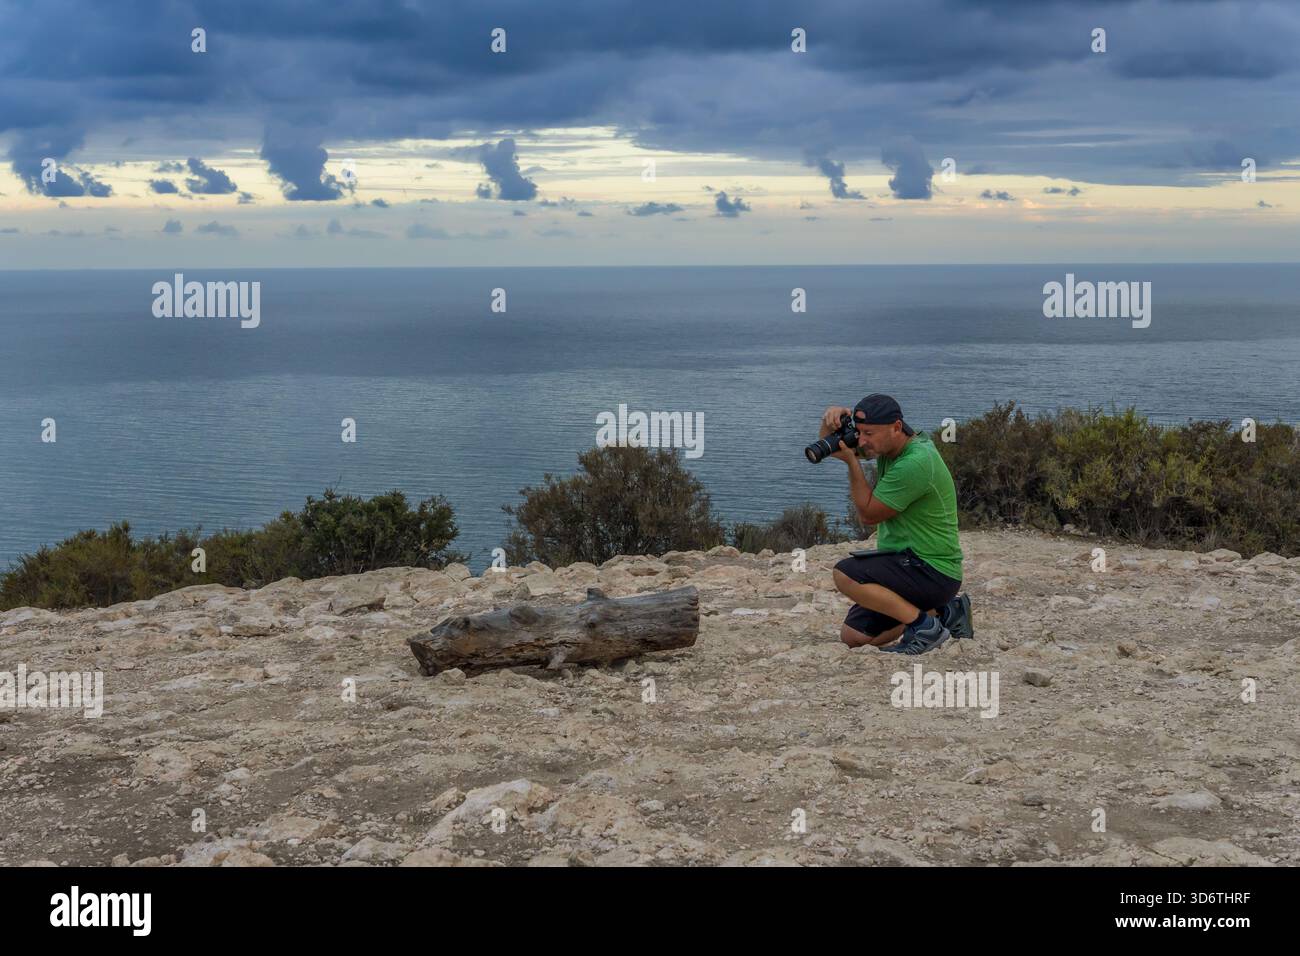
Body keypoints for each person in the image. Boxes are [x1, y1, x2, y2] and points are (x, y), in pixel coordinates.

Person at [820, 394, 973, 655]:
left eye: (869, 433)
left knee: (844, 573)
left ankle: (924, 627)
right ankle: (945, 612)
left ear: (897, 427)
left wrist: (853, 464)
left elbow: (868, 515)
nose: (863, 440)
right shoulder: (890, 445)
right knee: (854, 637)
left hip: (932, 569)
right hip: (907, 563)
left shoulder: (915, 462)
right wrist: (829, 421)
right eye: (859, 433)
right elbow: (833, 448)